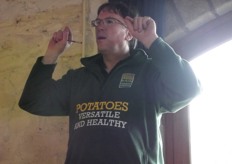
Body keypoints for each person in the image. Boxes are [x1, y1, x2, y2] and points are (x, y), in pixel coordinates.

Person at [19, 2, 201, 164]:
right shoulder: (78, 78)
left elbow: (188, 88)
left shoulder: (148, 73)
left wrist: (151, 40)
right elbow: (33, 101)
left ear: (129, 33)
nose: (100, 27)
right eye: (98, 22)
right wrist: (52, 53)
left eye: (110, 21)